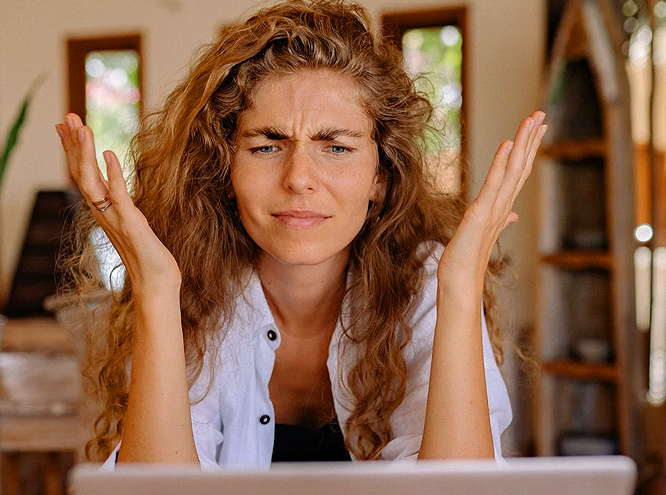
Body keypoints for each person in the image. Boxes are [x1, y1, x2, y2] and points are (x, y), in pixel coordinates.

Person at [57, 0, 545, 469]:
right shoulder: (190, 288)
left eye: (336, 147)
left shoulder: (424, 282)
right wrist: (157, 290)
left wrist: (458, 287)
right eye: (267, 146)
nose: (298, 178)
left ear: (380, 176)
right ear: (224, 169)